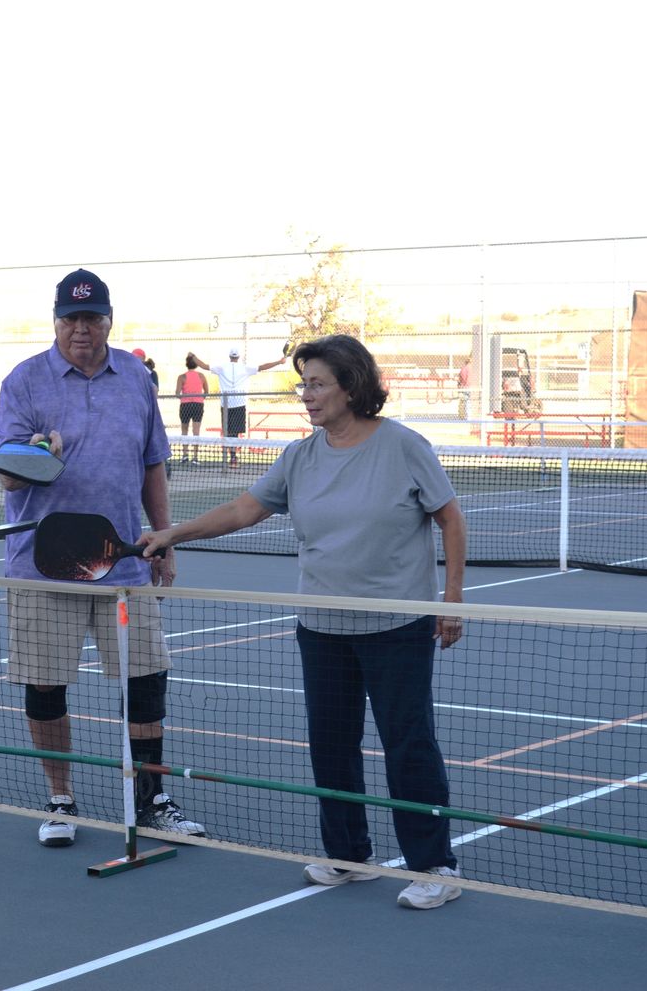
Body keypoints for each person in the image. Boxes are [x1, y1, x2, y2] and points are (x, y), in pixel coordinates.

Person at [139, 333, 467, 910]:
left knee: (408, 745)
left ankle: (434, 864)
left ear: (352, 386)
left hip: (397, 626)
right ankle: (350, 856)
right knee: (331, 744)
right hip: (321, 627)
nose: (307, 395)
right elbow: (244, 510)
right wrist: (172, 533)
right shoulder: (299, 456)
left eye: (317, 384)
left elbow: (450, 520)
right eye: (303, 384)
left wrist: (451, 600)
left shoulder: (404, 447)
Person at [0, 268, 204, 847]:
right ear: (56, 320)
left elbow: (152, 463)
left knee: (146, 680)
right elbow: (9, 480)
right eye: (70, 318)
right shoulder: (25, 382)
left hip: (126, 562)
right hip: (43, 565)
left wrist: (164, 539)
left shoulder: (136, 376)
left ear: (109, 320)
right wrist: (36, 454)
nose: (81, 329)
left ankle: (151, 798)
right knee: (45, 686)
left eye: (92, 318)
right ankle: (60, 800)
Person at [191, 345, 289, 466]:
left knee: (227, 432)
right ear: (238, 357)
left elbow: (204, 366)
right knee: (235, 432)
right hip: (239, 404)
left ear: (230, 356)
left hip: (225, 404)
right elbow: (262, 367)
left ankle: (230, 456)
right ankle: (232, 456)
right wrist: (279, 362)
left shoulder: (222, 367)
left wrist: (193, 356)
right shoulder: (244, 368)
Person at [174, 353, 207, 463]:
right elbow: (206, 392)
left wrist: (186, 396)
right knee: (196, 431)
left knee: (184, 430)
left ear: (186, 364)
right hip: (198, 405)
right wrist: (199, 398)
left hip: (185, 405)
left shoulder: (182, 377)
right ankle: (195, 457)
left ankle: (185, 455)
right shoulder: (201, 376)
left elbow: (177, 393)